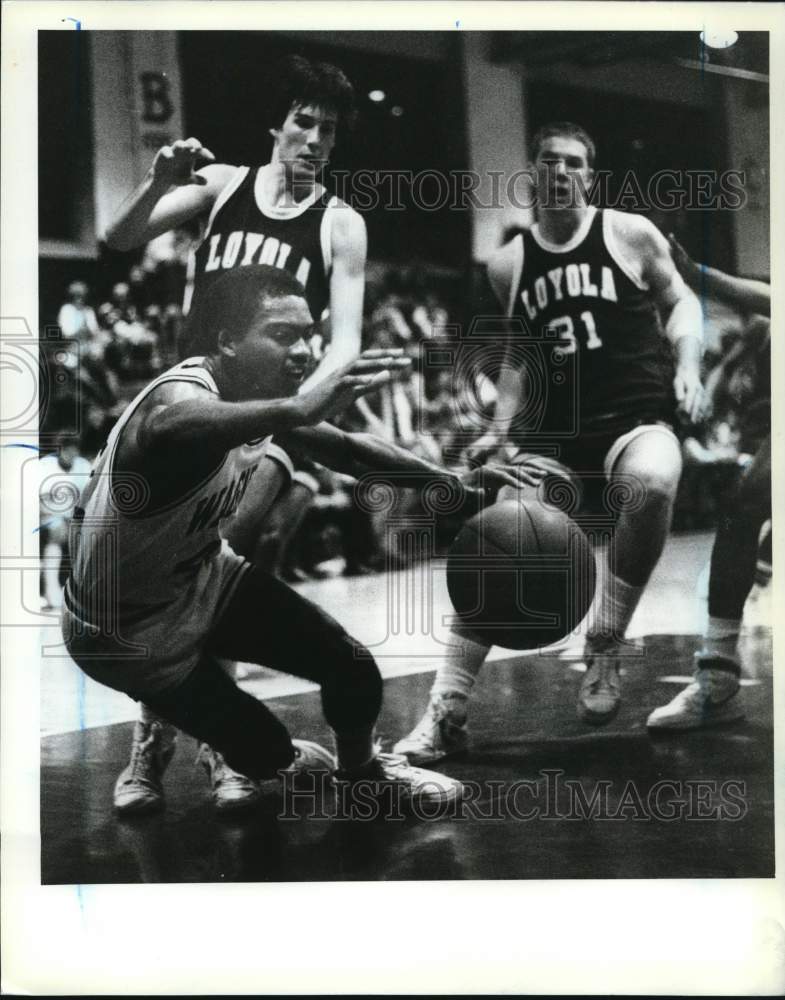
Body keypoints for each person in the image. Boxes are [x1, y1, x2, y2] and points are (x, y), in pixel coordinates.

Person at [61, 265, 542, 818]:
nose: (305, 351)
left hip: (197, 578)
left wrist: (452, 485)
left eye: (309, 334)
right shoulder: (176, 400)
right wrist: (298, 408)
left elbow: (352, 451)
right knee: (263, 752)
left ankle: (364, 776)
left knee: (353, 668)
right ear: (226, 342)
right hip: (121, 632)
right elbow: (166, 425)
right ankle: (203, 748)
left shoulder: (260, 400)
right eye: (282, 335)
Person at [104, 56, 368, 810]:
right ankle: (170, 746)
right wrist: (157, 180)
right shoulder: (221, 186)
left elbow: (344, 338)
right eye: (303, 123)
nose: (314, 140)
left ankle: (207, 752)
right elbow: (119, 238)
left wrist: (308, 405)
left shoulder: (341, 222)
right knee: (178, 579)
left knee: (222, 565)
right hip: (201, 409)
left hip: (272, 417)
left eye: (328, 130)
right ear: (277, 126)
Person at [395, 121, 705, 762]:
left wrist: (689, 365)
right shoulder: (509, 263)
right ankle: (446, 708)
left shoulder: (628, 233)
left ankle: (605, 643)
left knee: (651, 482)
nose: (559, 171)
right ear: (531, 173)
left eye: (573, 162)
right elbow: (515, 358)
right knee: (501, 536)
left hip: (633, 419)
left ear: (589, 176)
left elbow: (683, 303)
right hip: (552, 439)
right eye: (547, 160)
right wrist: (499, 428)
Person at [647, 237, 771, 729]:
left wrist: (698, 272)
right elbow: (759, 301)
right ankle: (718, 681)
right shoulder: (758, 334)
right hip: (760, 432)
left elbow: (756, 296)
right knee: (743, 506)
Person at [39, 434, 93, 610]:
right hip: (48, 517)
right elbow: (39, 502)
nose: (70, 451)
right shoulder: (46, 465)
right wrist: (60, 515)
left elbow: (88, 500)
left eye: (74, 447)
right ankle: (51, 591)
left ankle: (81, 592)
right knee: (58, 531)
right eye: (66, 447)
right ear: (59, 449)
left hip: (73, 518)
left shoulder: (83, 466)